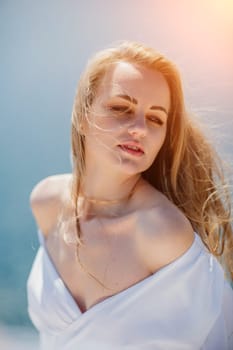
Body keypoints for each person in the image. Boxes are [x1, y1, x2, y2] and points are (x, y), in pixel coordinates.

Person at [27, 41, 233, 350]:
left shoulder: (160, 231)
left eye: (155, 118)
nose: (139, 128)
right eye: (121, 108)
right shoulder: (47, 202)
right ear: (83, 116)